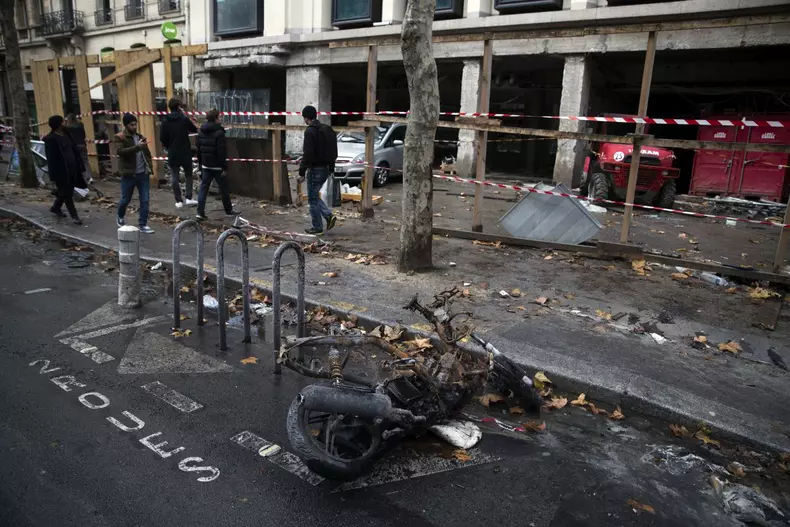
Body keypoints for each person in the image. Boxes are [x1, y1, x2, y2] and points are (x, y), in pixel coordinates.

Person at [299, 105, 337, 235]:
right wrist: (331, 167)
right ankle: (327, 217)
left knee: (312, 198)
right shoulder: (327, 129)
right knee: (314, 196)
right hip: (326, 169)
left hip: (315, 169)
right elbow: (333, 150)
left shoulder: (310, 131)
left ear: (305, 117)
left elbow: (308, 153)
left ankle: (318, 226)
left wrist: (301, 172)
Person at [114, 113, 155, 234]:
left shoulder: (140, 137)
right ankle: (120, 216)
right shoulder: (120, 137)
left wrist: (149, 166)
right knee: (125, 199)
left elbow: (146, 153)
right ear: (126, 125)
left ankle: (142, 224)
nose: (134, 126)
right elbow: (120, 151)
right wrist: (137, 147)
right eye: (132, 124)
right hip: (129, 174)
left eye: (135, 124)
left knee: (145, 200)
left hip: (143, 174)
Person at [196, 109, 238, 221]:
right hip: (217, 166)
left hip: (205, 165)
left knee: (203, 188)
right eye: (219, 117)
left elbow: (198, 150)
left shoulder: (201, 131)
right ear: (216, 118)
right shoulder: (220, 133)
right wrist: (224, 167)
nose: (221, 119)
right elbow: (221, 152)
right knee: (223, 189)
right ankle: (228, 211)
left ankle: (200, 212)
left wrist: (200, 165)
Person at [44, 115, 83, 225]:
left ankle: (56, 207)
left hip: (72, 169)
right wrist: (54, 175)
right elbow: (52, 160)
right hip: (61, 172)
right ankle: (75, 216)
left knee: (65, 192)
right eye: (64, 122)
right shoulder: (51, 139)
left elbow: (74, 149)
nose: (66, 123)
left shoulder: (67, 134)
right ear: (59, 124)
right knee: (67, 194)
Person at [160, 98, 198, 209]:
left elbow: (162, 138)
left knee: (174, 176)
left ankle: (178, 201)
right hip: (185, 150)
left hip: (173, 151)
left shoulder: (165, 120)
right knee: (188, 174)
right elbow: (194, 129)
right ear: (179, 107)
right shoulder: (184, 119)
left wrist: (169, 146)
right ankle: (189, 198)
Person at [65, 113, 93, 184]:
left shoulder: (68, 128)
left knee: (76, 162)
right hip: (83, 146)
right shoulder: (80, 126)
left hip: (74, 147)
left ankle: (80, 178)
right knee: (85, 162)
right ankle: (89, 177)